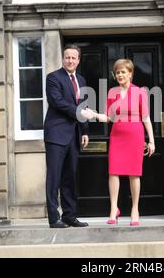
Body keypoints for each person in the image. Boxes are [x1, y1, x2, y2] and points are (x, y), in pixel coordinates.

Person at [89, 59, 155, 226]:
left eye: (123, 72)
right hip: (117, 136)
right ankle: (113, 209)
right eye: (117, 72)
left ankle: (135, 209)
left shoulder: (140, 92)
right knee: (113, 172)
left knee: (134, 173)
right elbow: (109, 117)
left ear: (130, 74)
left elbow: (146, 118)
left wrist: (151, 141)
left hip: (136, 135)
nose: (119, 75)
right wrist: (95, 115)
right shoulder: (112, 92)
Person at [44, 45, 94, 228]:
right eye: (67, 58)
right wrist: (80, 113)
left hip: (74, 135)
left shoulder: (81, 80)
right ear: (63, 59)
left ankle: (69, 216)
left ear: (78, 60)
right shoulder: (53, 78)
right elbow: (57, 102)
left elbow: (83, 106)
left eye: (73, 58)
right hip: (56, 134)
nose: (70, 61)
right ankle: (53, 218)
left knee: (70, 177)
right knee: (54, 177)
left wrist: (85, 130)